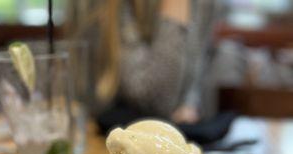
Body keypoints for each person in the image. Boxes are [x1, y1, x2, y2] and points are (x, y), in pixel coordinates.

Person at [67, 0, 219, 127]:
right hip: (104, 137)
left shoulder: (204, 4)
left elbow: (199, 62)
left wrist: (189, 103)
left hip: (183, 138)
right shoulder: (104, 7)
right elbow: (155, 100)